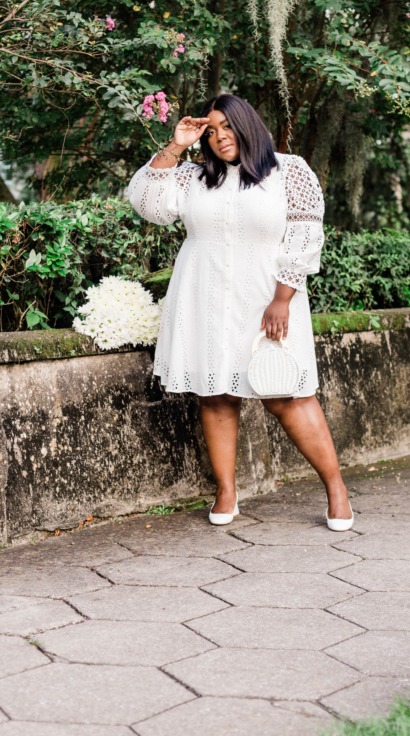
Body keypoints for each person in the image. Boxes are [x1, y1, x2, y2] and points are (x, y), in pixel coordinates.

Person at [127, 94, 353, 530]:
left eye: (226, 127)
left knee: (286, 396)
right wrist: (175, 147)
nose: (219, 137)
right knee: (215, 395)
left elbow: (306, 236)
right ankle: (226, 492)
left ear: (247, 125)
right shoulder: (193, 178)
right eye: (210, 131)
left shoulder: (289, 171)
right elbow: (146, 203)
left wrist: (283, 299)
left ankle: (336, 488)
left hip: (267, 299)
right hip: (205, 296)